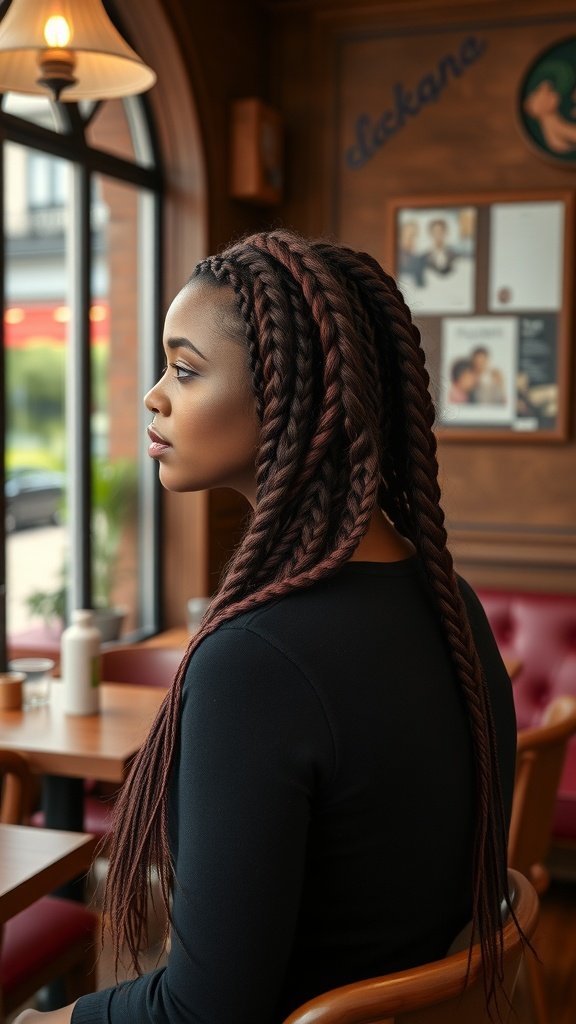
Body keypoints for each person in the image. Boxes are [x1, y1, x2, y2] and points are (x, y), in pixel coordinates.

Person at [15, 230, 517, 1024]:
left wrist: (53, 1021)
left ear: (291, 397)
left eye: (184, 370)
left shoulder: (255, 663)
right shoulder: (448, 600)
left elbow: (203, 1013)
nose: (154, 396)